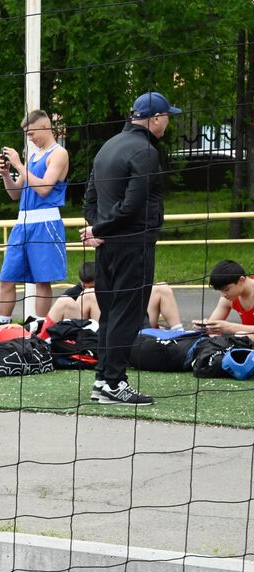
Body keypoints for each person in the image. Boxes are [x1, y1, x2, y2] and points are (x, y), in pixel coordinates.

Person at [81, 91, 179, 406]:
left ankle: (103, 380)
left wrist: (98, 230)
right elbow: (133, 205)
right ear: (156, 119)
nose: (167, 124)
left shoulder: (107, 147)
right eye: (167, 118)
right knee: (127, 314)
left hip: (107, 247)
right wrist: (99, 229)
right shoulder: (145, 151)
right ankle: (115, 383)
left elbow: (89, 200)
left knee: (110, 313)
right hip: (133, 243)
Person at [0, 109, 70, 323]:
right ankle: (2, 324)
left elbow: (45, 188)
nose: (29, 138)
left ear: (45, 127)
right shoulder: (33, 155)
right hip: (23, 224)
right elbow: (15, 193)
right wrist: (6, 174)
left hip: (46, 223)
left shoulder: (59, 153)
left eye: (31, 133)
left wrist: (19, 165)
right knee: (6, 278)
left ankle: (38, 327)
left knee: (41, 281)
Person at [42, 261, 182, 331]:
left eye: (95, 285)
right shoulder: (78, 293)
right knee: (88, 296)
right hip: (102, 333)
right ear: (81, 283)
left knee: (162, 287)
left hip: (134, 325)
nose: (91, 288)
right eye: (86, 285)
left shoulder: (116, 282)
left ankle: (179, 333)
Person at [200, 259, 254, 335]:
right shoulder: (227, 298)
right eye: (221, 291)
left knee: (239, 336)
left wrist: (231, 327)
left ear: (241, 280)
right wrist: (205, 327)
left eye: (226, 289)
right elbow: (212, 327)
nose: (223, 295)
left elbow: (230, 328)